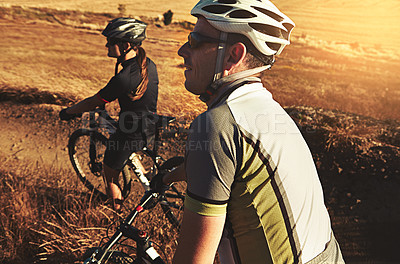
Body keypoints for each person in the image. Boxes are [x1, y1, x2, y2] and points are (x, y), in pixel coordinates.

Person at [151, 0, 345, 263]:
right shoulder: (266, 111)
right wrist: (169, 177)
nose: (182, 50)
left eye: (194, 41)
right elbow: (230, 167)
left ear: (234, 55)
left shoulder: (216, 125)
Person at [60, 17, 159, 211]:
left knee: (109, 173)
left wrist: (69, 111)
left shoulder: (123, 78)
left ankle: (116, 216)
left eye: (111, 41)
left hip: (131, 132)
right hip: (149, 124)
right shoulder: (148, 64)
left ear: (126, 45)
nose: (106, 44)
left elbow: (94, 101)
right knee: (127, 138)